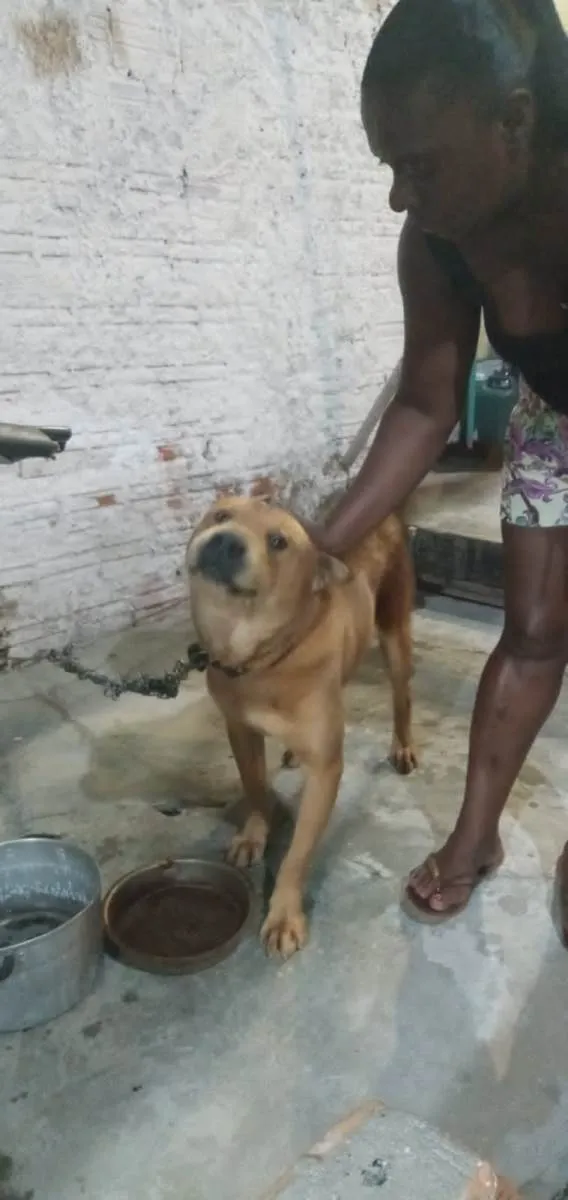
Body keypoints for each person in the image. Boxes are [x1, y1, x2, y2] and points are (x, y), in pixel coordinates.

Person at [310, 0, 568, 925]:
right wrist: (318, 549)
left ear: (515, 119)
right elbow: (426, 404)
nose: (398, 195)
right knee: (534, 628)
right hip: (555, 411)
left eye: (417, 165)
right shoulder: (439, 245)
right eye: (391, 166)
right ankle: (478, 834)